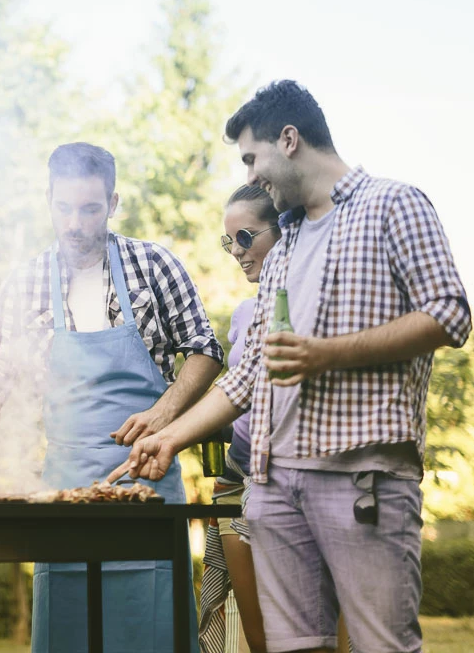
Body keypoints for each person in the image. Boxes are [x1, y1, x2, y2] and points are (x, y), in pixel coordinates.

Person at [117, 80, 471, 653]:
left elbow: (451, 314)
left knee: (381, 645)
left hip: (363, 480)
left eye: (252, 159)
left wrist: (324, 353)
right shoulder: (282, 248)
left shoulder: (394, 204)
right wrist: (171, 436)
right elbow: (246, 375)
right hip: (273, 487)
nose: (251, 176)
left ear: (289, 139)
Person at [0, 142, 224, 652]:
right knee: (68, 632)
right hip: (65, 494)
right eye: (64, 208)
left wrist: (163, 414)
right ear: (48, 201)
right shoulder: (24, 283)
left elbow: (206, 350)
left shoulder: (155, 265)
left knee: (154, 630)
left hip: (149, 483)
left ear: (113, 203)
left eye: (91, 208)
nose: (76, 223)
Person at [198, 184, 279, 653]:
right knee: (257, 635)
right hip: (236, 482)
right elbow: (242, 400)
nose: (236, 252)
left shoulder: (306, 300)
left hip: (287, 478)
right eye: (228, 241)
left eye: (245, 237)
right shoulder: (244, 313)